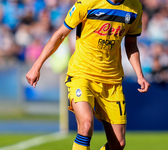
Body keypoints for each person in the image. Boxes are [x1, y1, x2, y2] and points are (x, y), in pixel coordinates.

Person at [26, 0, 150, 149]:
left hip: (112, 81)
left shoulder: (134, 7)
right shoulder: (87, 3)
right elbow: (60, 35)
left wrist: (140, 75)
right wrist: (36, 66)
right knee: (85, 125)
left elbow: (131, 44)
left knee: (118, 144)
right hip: (82, 75)